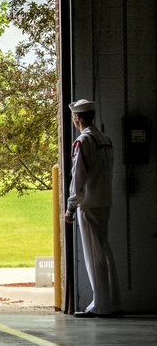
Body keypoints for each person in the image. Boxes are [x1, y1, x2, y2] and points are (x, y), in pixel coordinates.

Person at [65, 99, 123, 318]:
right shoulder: (105, 140)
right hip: (104, 200)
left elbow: (78, 177)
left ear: (77, 118)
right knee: (105, 251)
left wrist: (71, 206)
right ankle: (114, 303)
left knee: (93, 255)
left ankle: (101, 304)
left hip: (89, 204)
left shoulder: (83, 141)